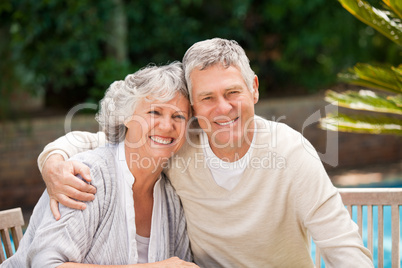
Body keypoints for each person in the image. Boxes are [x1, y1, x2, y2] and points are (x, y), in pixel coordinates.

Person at [36, 38, 374, 267]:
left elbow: (343, 246)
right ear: (195, 106)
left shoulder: (291, 152)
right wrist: (53, 163)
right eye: (207, 98)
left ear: (253, 88)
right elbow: (101, 142)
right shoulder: (176, 145)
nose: (222, 108)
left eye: (232, 92)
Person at [1, 62, 199, 267]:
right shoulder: (87, 177)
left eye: (179, 116)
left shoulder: (170, 198)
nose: (167, 126)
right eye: (154, 113)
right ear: (127, 116)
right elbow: (46, 264)